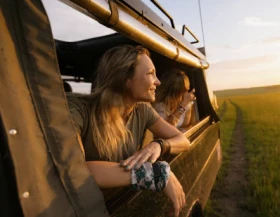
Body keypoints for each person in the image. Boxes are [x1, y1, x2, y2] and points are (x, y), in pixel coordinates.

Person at [67, 45, 189, 217]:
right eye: (150, 73)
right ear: (126, 78)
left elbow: (183, 140)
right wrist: (154, 174)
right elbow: (76, 170)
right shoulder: (78, 110)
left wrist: (159, 145)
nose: (158, 81)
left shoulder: (142, 110)